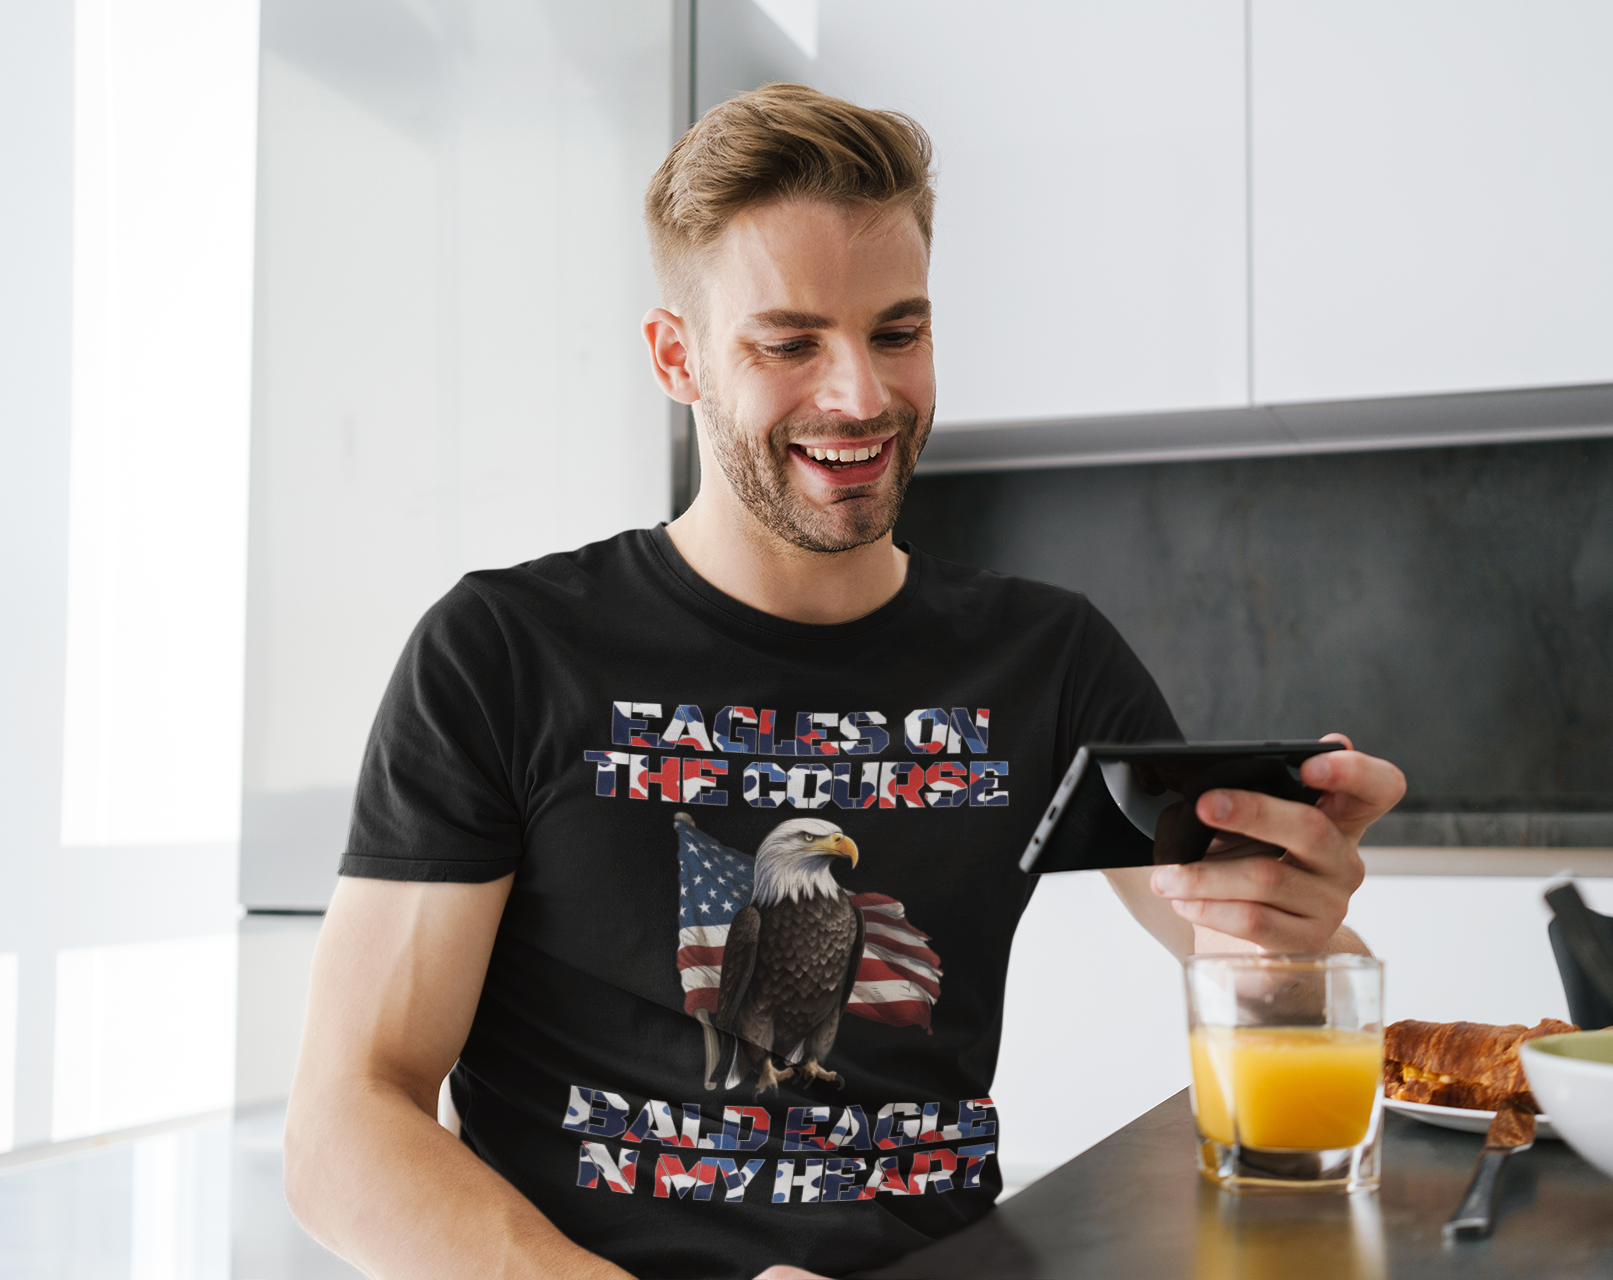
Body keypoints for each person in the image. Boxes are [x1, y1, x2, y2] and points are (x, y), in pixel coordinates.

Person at [282, 83, 1406, 1280]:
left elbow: (1260, 982)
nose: (861, 396)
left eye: (898, 333)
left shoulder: (1048, 657)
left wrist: (1293, 920)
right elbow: (345, 1125)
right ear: (677, 356)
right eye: (790, 344)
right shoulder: (504, 649)